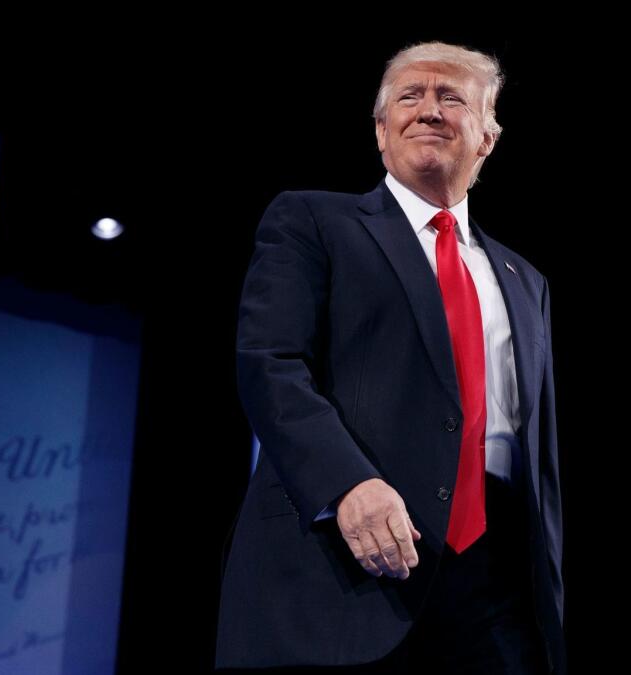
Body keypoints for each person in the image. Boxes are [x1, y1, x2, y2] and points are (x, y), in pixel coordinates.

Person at [215, 41, 565, 674]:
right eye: (410, 96)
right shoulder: (312, 221)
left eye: (451, 97)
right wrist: (346, 482)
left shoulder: (525, 279)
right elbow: (270, 363)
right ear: (381, 130)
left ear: (486, 137)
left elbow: (534, 452)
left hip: (495, 594)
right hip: (341, 566)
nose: (428, 110)